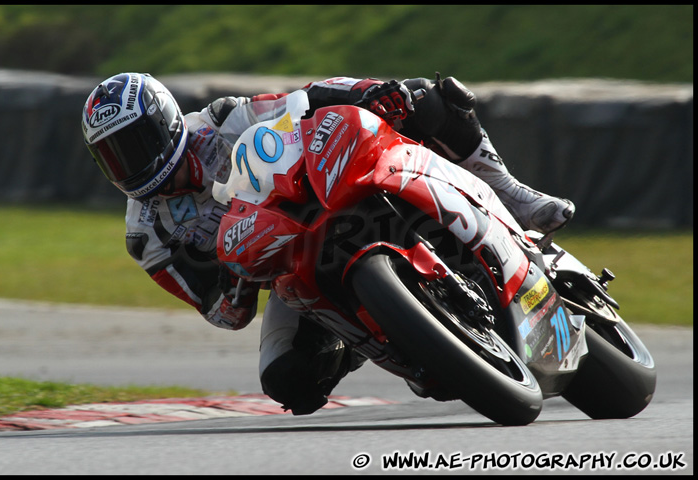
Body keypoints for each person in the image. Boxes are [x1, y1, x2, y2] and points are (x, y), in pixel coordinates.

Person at [81, 72, 574, 415]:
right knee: (287, 380)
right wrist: (236, 278)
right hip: (286, 267)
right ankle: (390, 332)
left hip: (324, 185)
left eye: (134, 145)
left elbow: (305, 99)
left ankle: (514, 196)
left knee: (426, 97)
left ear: (165, 123)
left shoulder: (220, 119)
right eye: (112, 157)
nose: (129, 165)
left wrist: (373, 93)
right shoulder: (146, 236)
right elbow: (222, 313)